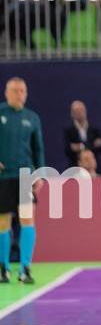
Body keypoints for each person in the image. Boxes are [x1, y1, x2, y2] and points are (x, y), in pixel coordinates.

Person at [0, 77, 45, 284]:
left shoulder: (32, 118)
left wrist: (40, 173)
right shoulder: (1, 113)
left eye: (23, 91)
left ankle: (25, 268)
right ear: (6, 92)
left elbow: (38, 148)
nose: (20, 94)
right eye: (16, 90)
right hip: (4, 176)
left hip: (25, 175)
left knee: (28, 219)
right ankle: (4, 268)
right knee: (3, 223)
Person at [63, 100, 101, 170]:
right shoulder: (68, 129)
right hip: (74, 168)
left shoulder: (94, 129)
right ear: (72, 113)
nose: (79, 113)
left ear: (85, 111)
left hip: (94, 169)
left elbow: (100, 147)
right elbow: (68, 150)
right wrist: (91, 145)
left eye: (81, 110)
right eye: (76, 111)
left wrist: (81, 147)